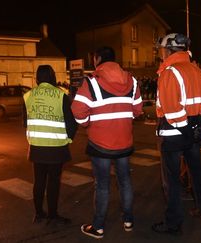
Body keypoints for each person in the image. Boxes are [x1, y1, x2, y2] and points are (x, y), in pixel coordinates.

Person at [71, 46, 143, 239]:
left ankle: (98, 226)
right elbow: (137, 110)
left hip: (100, 144)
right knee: (125, 181)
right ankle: (128, 220)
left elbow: (77, 110)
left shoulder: (91, 82)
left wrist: (88, 123)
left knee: (102, 185)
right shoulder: (132, 81)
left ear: (97, 59)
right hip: (125, 142)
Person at [152, 33, 201, 235]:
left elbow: (172, 110)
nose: (161, 53)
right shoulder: (199, 72)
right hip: (194, 133)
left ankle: (173, 223)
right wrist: (200, 130)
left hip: (174, 134)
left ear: (168, 50)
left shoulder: (170, 72)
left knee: (171, 180)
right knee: (197, 172)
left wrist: (188, 131)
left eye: (162, 49)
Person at [23, 65, 78, 225]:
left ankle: (39, 213)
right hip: (57, 148)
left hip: (36, 148)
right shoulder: (61, 95)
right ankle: (53, 215)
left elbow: (25, 123)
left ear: (37, 77)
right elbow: (71, 123)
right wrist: (68, 140)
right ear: (53, 76)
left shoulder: (28, 96)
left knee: (38, 181)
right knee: (53, 182)